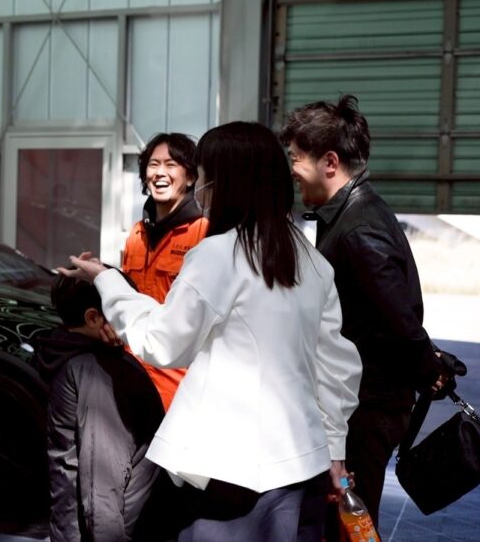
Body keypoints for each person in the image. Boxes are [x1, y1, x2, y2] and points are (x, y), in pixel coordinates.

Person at [61, 122, 363, 541]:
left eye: (203, 177)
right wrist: (335, 451)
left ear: (227, 183)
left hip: (229, 471)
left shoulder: (219, 254)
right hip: (302, 466)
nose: (200, 190)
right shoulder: (312, 263)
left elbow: (163, 341)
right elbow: (338, 371)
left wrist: (106, 281)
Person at [281, 94, 448, 529]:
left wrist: (428, 366)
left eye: (296, 157)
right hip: (365, 401)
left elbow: (398, 318)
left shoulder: (358, 229)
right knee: (348, 516)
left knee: (353, 519)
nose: (292, 169)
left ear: (329, 162)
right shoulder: (354, 211)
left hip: (367, 407)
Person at [33, 274, 167, 542]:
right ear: (93, 318)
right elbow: (102, 484)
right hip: (118, 528)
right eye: (121, 312)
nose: (131, 321)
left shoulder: (69, 353)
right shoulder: (96, 373)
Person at [123, 132, 208, 409]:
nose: (160, 173)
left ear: (191, 177)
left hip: (179, 388)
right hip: (130, 374)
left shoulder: (205, 233)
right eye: (153, 164)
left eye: (171, 165)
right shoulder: (136, 233)